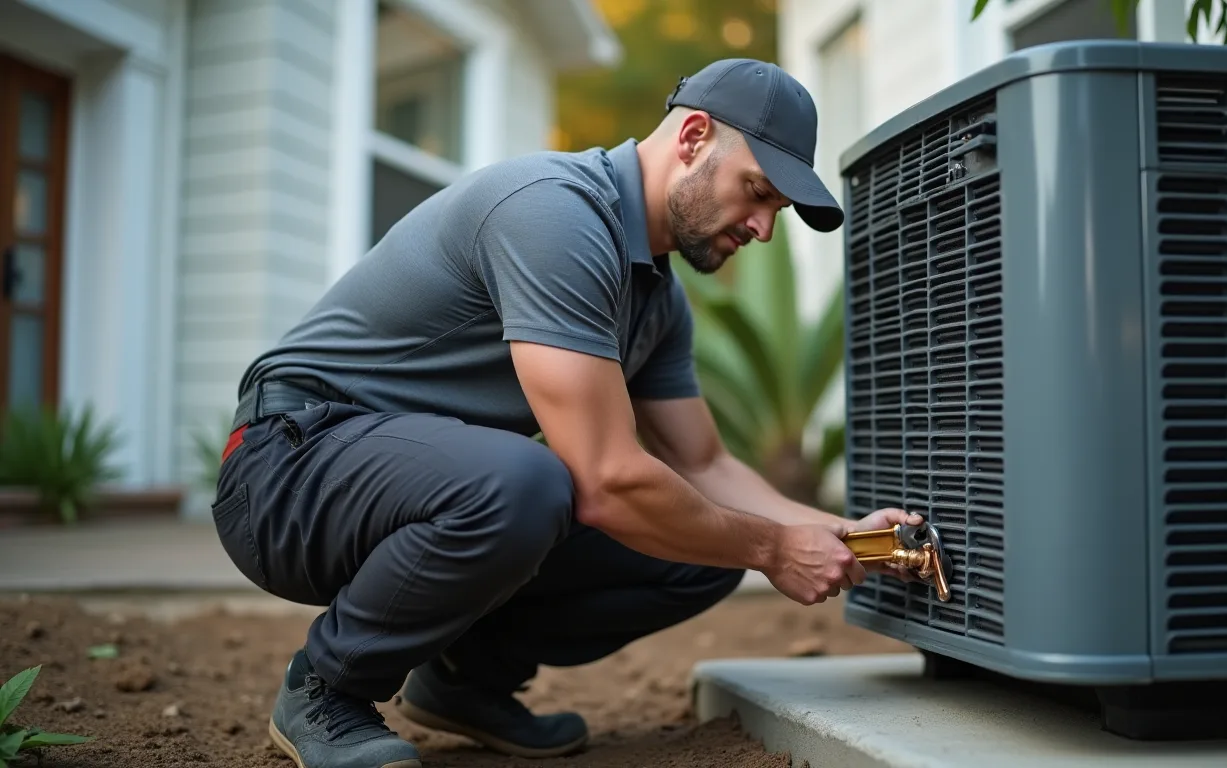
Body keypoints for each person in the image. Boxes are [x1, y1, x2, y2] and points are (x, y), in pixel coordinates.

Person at [211, 57, 922, 768]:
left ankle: (463, 681)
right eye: (757, 192)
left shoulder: (655, 299)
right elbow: (609, 480)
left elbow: (704, 465)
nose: (764, 227)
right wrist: (769, 549)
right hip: (287, 467)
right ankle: (326, 688)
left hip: (405, 484)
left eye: (778, 210)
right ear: (694, 137)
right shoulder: (554, 210)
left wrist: (834, 532)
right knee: (534, 484)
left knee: (700, 553)